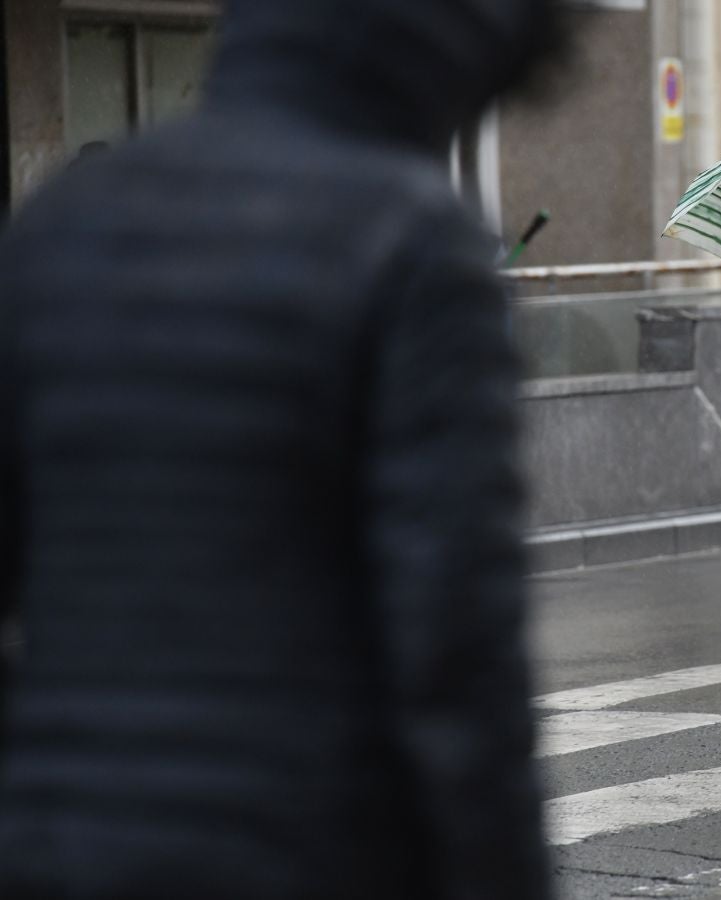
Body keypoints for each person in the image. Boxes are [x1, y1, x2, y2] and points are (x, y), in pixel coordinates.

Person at [0, 1, 557, 897]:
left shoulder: (62, 224)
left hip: (62, 844)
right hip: (307, 843)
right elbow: (458, 656)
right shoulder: (410, 243)